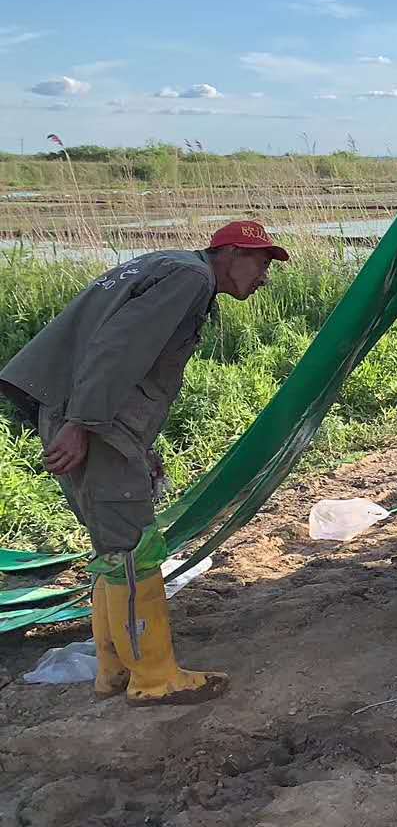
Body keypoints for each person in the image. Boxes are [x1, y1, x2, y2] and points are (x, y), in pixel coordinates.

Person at [0, 221, 287, 705]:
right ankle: (153, 678)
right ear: (231, 253)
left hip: (93, 419)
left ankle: (113, 670)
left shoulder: (168, 265)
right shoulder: (190, 278)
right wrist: (83, 423)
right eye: (261, 263)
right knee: (133, 549)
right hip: (94, 423)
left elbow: (117, 350)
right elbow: (117, 349)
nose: (264, 278)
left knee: (112, 547)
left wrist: (130, 442)